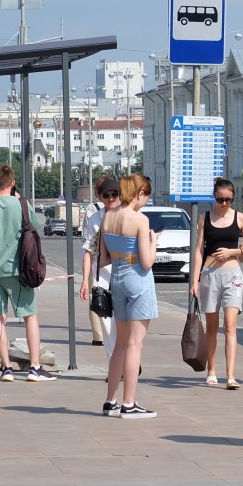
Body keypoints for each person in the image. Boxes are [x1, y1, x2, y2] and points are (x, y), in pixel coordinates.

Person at [0, 165, 57, 382]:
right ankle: (34, 367)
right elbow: (35, 228)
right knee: (30, 316)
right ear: (13, 183)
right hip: (20, 271)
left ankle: (7, 368)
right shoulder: (21, 205)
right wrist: (19, 201)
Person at [98, 173, 159, 418]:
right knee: (135, 344)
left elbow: (103, 258)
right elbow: (147, 262)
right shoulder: (140, 220)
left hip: (117, 278)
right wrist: (154, 241)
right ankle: (129, 403)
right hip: (137, 279)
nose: (146, 202)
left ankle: (110, 401)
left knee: (120, 345)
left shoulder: (107, 216)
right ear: (139, 193)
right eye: (146, 197)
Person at [188, 177, 243, 389]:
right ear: (214, 197)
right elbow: (199, 250)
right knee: (212, 327)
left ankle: (231, 376)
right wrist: (195, 279)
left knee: (230, 326)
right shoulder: (205, 217)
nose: (224, 203)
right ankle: (212, 371)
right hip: (210, 274)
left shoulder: (240, 218)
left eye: (228, 199)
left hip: (233, 274)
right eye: (220, 199)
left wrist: (231, 252)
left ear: (233, 198)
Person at [79, 177, 121, 358]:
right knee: (107, 324)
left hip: (124, 275)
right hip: (102, 278)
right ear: (100, 197)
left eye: (114, 194)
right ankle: (115, 363)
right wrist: (85, 281)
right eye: (106, 195)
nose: (111, 198)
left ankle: (128, 361)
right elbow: (88, 251)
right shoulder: (95, 218)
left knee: (125, 324)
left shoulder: (127, 215)